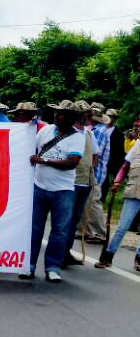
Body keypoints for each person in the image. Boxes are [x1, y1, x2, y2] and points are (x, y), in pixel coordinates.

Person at [23, 100, 83, 283]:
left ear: (72, 118)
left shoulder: (78, 137)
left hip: (63, 191)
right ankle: (29, 265)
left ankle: (52, 267)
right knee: (34, 228)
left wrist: (44, 161)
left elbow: (72, 163)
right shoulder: (45, 130)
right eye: (56, 112)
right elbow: (31, 150)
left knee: (59, 231)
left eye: (62, 113)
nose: (57, 115)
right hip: (39, 186)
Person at [95, 139, 140, 272]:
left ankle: (139, 259)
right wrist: (117, 181)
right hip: (134, 191)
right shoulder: (137, 145)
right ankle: (107, 256)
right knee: (122, 227)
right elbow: (125, 166)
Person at [64, 100, 96, 268]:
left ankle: (66, 252)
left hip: (85, 183)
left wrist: (89, 171)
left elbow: (95, 155)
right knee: (66, 220)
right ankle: (60, 254)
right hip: (70, 183)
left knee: (75, 219)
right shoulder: (66, 133)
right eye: (84, 115)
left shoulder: (89, 134)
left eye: (88, 115)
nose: (87, 118)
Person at [78, 103, 111, 244]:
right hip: (91, 171)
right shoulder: (94, 129)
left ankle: (99, 233)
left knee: (94, 202)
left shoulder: (99, 131)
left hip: (94, 172)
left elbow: (94, 154)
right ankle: (83, 231)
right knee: (85, 202)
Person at [103, 108, 124, 201]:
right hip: (98, 162)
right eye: (107, 116)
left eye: (111, 117)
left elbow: (120, 153)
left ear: (114, 119)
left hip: (110, 163)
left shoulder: (118, 134)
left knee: (104, 184)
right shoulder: (99, 130)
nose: (109, 119)